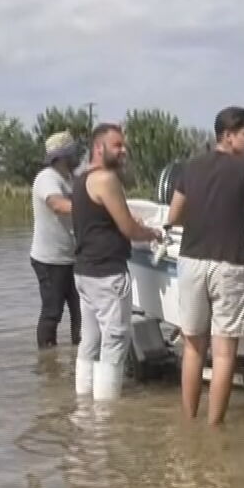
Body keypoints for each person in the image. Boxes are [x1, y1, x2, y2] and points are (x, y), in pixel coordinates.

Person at [165, 105, 244, 426]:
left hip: (190, 262)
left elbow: (174, 215)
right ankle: (214, 427)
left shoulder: (190, 166)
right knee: (222, 354)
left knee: (192, 348)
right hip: (229, 266)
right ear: (228, 135)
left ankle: (189, 421)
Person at [72, 124, 163, 401]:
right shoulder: (106, 179)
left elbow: (103, 218)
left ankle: (83, 405)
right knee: (114, 342)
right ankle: (106, 416)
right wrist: (153, 233)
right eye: (117, 145)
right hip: (108, 273)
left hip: (84, 271)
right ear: (99, 148)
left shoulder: (80, 178)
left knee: (90, 341)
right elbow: (129, 230)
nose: (124, 151)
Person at [30, 131, 83, 349]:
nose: (77, 156)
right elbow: (58, 206)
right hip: (50, 259)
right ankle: (47, 362)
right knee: (52, 312)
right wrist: (93, 210)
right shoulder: (47, 178)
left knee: (81, 310)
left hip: (72, 257)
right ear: (62, 156)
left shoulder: (71, 178)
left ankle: (80, 355)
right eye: (73, 153)